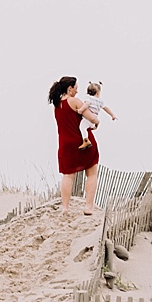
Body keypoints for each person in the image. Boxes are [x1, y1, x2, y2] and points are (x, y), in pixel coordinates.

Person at [47, 75, 100, 215]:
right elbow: (91, 117)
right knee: (92, 173)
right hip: (84, 142)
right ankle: (88, 207)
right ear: (70, 89)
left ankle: (65, 207)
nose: (77, 91)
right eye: (76, 88)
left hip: (66, 144)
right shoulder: (75, 101)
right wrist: (97, 122)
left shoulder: (56, 106)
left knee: (68, 176)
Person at [79, 81, 117, 149]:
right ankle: (95, 127)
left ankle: (85, 140)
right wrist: (112, 115)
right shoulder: (100, 101)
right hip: (94, 120)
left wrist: (80, 110)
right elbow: (106, 108)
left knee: (82, 128)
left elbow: (86, 104)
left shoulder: (89, 98)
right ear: (98, 93)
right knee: (88, 127)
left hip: (88, 119)